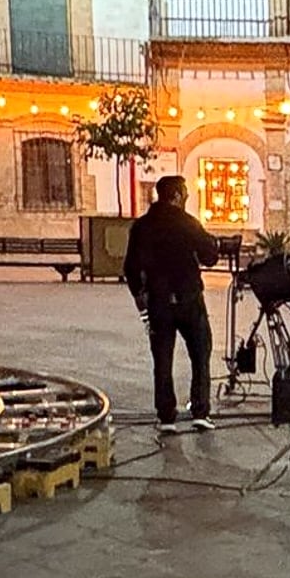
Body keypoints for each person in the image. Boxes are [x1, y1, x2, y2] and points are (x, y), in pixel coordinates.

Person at [122, 176, 221, 434]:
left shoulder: (142, 226)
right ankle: (200, 411)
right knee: (200, 353)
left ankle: (166, 416)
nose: (187, 196)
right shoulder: (188, 223)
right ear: (176, 195)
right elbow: (210, 257)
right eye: (185, 192)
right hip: (188, 297)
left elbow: (130, 266)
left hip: (158, 301)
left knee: (162, 358)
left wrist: (139, 294)